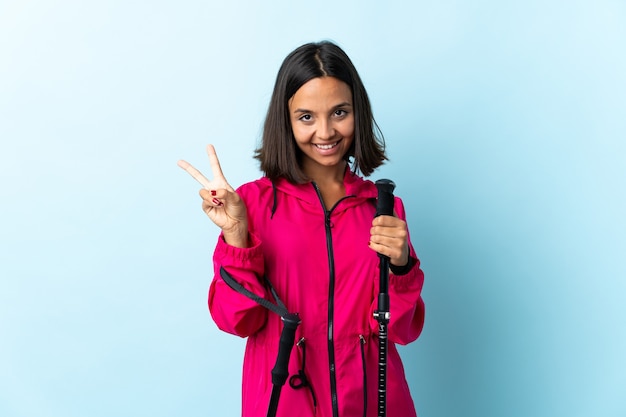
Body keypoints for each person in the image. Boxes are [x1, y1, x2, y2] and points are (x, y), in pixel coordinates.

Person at [178, 41, 425, 417]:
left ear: (357, 112)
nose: (325, 132)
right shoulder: (252, 205)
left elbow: (402, 331)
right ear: (286, 120)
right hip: (286, 401)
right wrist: (236, 237)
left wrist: (402, 267)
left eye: (339, 112)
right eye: (306, 117)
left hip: (374, 403)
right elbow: (237, 320)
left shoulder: (383, 206)